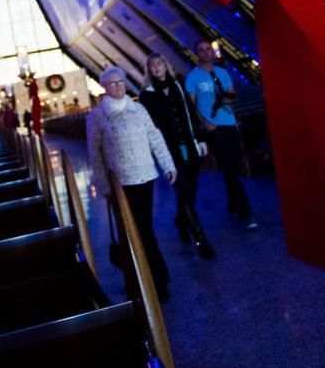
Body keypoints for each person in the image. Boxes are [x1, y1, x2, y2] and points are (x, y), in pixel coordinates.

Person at [87, 65, 177, 301]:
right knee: (129, 232)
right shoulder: (97, 116)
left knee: (145, 229)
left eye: (121, 82)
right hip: (120, 183)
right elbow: (95, 155)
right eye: (112, 83)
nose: (118, 86)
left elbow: (154, 136)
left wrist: (168, 165)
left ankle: (157, 280)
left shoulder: (138, 108)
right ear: (104, 87)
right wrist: (105, 187)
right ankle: (140, 281)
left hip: (145, 177)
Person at [139, 53, 216, 259]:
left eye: (160, 63)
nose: (157, 68)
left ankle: (181, 220)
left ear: (166, 66)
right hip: (169, 152)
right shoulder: (147, 95)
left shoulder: (178, 86)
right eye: (152, 65)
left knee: (191, 190)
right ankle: (201, 240)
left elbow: (191, 112)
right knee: (183, 191)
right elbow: (150, 128)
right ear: (149, 69)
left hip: (190, 146)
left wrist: (200, 139)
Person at [185, 40, 259, 230]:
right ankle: (245, 212)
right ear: (197, 53)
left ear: (211, 51)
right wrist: (207, 125)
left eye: (207, 49)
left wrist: (229, 97)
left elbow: (231, 94)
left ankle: (233, 203)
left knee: (233, 167)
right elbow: (192, 106)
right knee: (230, 168)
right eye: (201, 50)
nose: (205, 52)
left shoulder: (222, 73)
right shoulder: (192, 77)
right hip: (214, 128)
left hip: (230, 123)